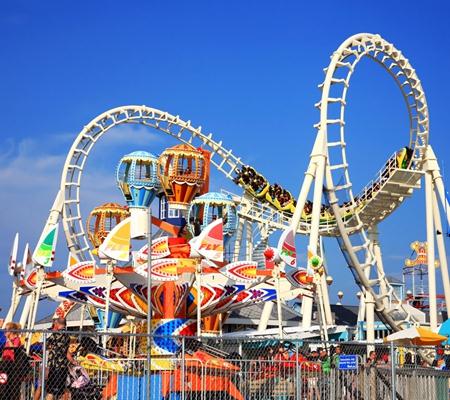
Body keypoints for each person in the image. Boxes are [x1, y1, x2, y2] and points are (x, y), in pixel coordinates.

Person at [45, 318, 77, 400]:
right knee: (61, 391)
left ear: (57, 323)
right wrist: (73, 361)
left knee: (51, 391)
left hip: (54, 365)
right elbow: (67, 353)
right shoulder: (67, 336)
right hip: (63, 366)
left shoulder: (54, 335)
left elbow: (45, 345)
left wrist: (51, 347)